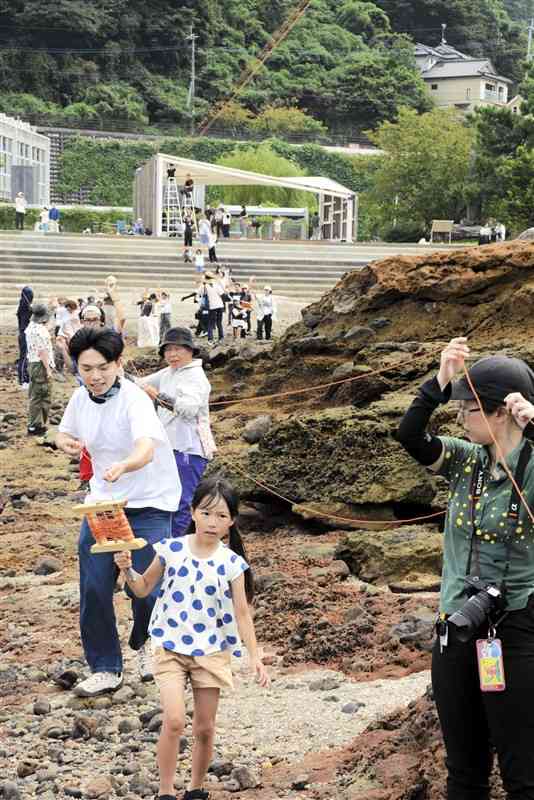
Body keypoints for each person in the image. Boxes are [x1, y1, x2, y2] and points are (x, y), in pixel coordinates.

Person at [397, 339, 534, 800]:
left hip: (515, 628)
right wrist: (441, 378)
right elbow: (410, 435)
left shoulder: (532, 466)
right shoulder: (465, 460)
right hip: (455, 626)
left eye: (468, 409)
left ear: (499, 413)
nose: (459, 418)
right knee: (464, 770)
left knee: (523, 772)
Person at [113, 477, 269, 800]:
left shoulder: (232, 564)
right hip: (170, 646)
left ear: (232, 522)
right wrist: (127, 570)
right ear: (193, 512)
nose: (213, 522)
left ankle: (196, 790)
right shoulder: (171, 549)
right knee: (173, 720)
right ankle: (165, 792)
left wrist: (255, 656)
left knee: (205, 728)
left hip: (211, 651)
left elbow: (242, 613)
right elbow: (142, 589)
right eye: (207, 513)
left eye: (222, 516)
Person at [56, 328, 180, 695]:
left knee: (146, 585)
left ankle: (144, 643)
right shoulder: (80, 398)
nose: (95, 376)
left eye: (103, 368)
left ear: (118, 364)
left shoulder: (135, 399)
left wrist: (125, 466)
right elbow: (63, 434)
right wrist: (66, 443)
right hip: (105, 503)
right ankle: (105, 666)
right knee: (95, 584)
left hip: (150, 501)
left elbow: (146, 449)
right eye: (86, 368)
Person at [140, 327, 215, 536]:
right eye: (168, 350)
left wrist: (157, 396)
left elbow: (189, 409)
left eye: (178, 349)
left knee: (182, 501)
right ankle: (164, 544)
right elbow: (140, 384)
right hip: (168, 447)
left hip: (189, 450)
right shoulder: (169, 372)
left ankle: (176, 547)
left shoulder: (196, 376)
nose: (172, 354)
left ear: (190, 350)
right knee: (164, 497)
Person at [25, 303, 55, 435]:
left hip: (32, 363)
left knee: (35, 394)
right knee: (42, 395)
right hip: (40, 365)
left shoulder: (31, 327)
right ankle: (37, 425)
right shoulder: (41, 331)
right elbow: (42, 352)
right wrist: (48, 369)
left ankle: (35, 424)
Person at [16, 286, 34, 388]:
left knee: (26, 357)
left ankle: (25, 378)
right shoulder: (25, 307)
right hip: (25, 334)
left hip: (25, 334)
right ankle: (23, 380)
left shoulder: (24, 306)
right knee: (24, 357)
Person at [204, 273, 224, 346]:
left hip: (212, 306)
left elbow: (200, 294)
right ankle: (221, 338)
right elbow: (222, 294)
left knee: (210, 324)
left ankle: (210, 339)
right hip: (220, 305)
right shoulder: (216, 285)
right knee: (219, 322)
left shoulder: (204, 286)